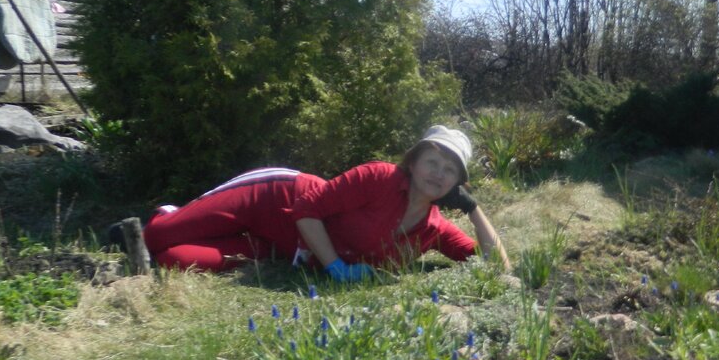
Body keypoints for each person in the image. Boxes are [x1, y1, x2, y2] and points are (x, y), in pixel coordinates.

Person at [133, 125, 510, 280]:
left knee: (171, 260)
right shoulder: (380, 177)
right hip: (273, 197)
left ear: (456, 184)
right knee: (157, 235)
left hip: (279, 246)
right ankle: (169, 213)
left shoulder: (433, 229)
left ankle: (196, 227)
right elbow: (306, 210)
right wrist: (335, 266)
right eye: (432, 162)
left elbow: (497, 268)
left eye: (450, 171)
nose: (438, 174)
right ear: (412, 162)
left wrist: (474, 208)